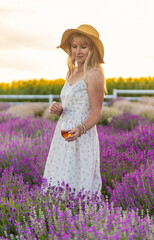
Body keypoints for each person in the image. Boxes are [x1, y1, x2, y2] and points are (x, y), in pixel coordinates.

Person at [43, 24, 107, 196]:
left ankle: (81, 218)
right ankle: (57, 216)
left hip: (82, 136)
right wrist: (59, 109)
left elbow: (96, 113)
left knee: (78, 181)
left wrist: (80, 129)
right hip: (63, 133)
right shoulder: (71, 72)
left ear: (92, 49)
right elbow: (71, 104)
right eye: (74, 46)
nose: (78, 51)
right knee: (60, 175)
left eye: (83, 47)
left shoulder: (94, 74)